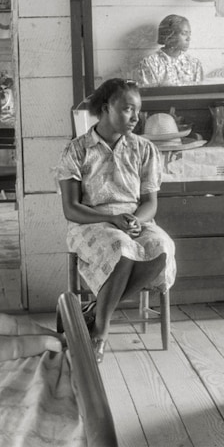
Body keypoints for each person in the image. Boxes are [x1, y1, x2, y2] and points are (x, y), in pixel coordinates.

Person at [55, 78, 176, 363]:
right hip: (90, 223)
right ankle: (101, 331)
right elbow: (71, 209)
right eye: (128, 109)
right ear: (107, 108)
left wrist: (133, 220)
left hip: (134, 220)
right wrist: (113, 219)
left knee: (161, 248)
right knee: (120, 249)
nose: (136, 117)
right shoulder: (77, 150)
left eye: (138, 110)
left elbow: (150, 203)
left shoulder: (144, 150)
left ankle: (95, 313)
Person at [133, 14, 204, 87]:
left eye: (189, 34)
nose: (188, 39)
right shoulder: (150, 63)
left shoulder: (194, 64)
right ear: (169, 35)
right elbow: (149, 94)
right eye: (184, 33)